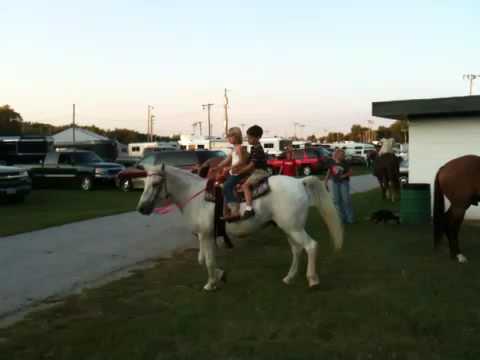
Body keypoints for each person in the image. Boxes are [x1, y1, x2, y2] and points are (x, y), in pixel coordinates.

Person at [214, 127, 248, 221]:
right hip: (234, 173)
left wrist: (230, 167)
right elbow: (227, 160)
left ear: (236, 137)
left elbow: (242, 161)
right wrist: (217, 167)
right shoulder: (234, 149)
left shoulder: (240, 148)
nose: (228, 139)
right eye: (228, 137)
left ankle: (235, 210)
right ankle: (226, 211)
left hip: (239, 173)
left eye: (230, 137)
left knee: (226, 186)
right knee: (223, 187)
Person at [239, 125, 269, 219]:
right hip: (255, 171)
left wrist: (240, 171)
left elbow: (251, 165)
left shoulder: (257, 149)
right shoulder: (254, 148)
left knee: (245, 185)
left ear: (258, 138)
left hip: (260, 172)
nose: (248, 139)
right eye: (248, 137)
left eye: (250, 138)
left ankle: (249, 209)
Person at [324, 149, 354, 224]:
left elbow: (351, 172)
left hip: (344, 183)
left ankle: (350, 219)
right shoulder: (331, 162)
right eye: (342, 155)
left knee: (346, 200)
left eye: (344, 155)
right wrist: (325, 182)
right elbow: (329, 171)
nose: (344, 156)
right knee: (337, 201)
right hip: (335, 183)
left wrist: (344, 175)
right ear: (338, 155)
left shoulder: (345, 162)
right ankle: (341, 219)